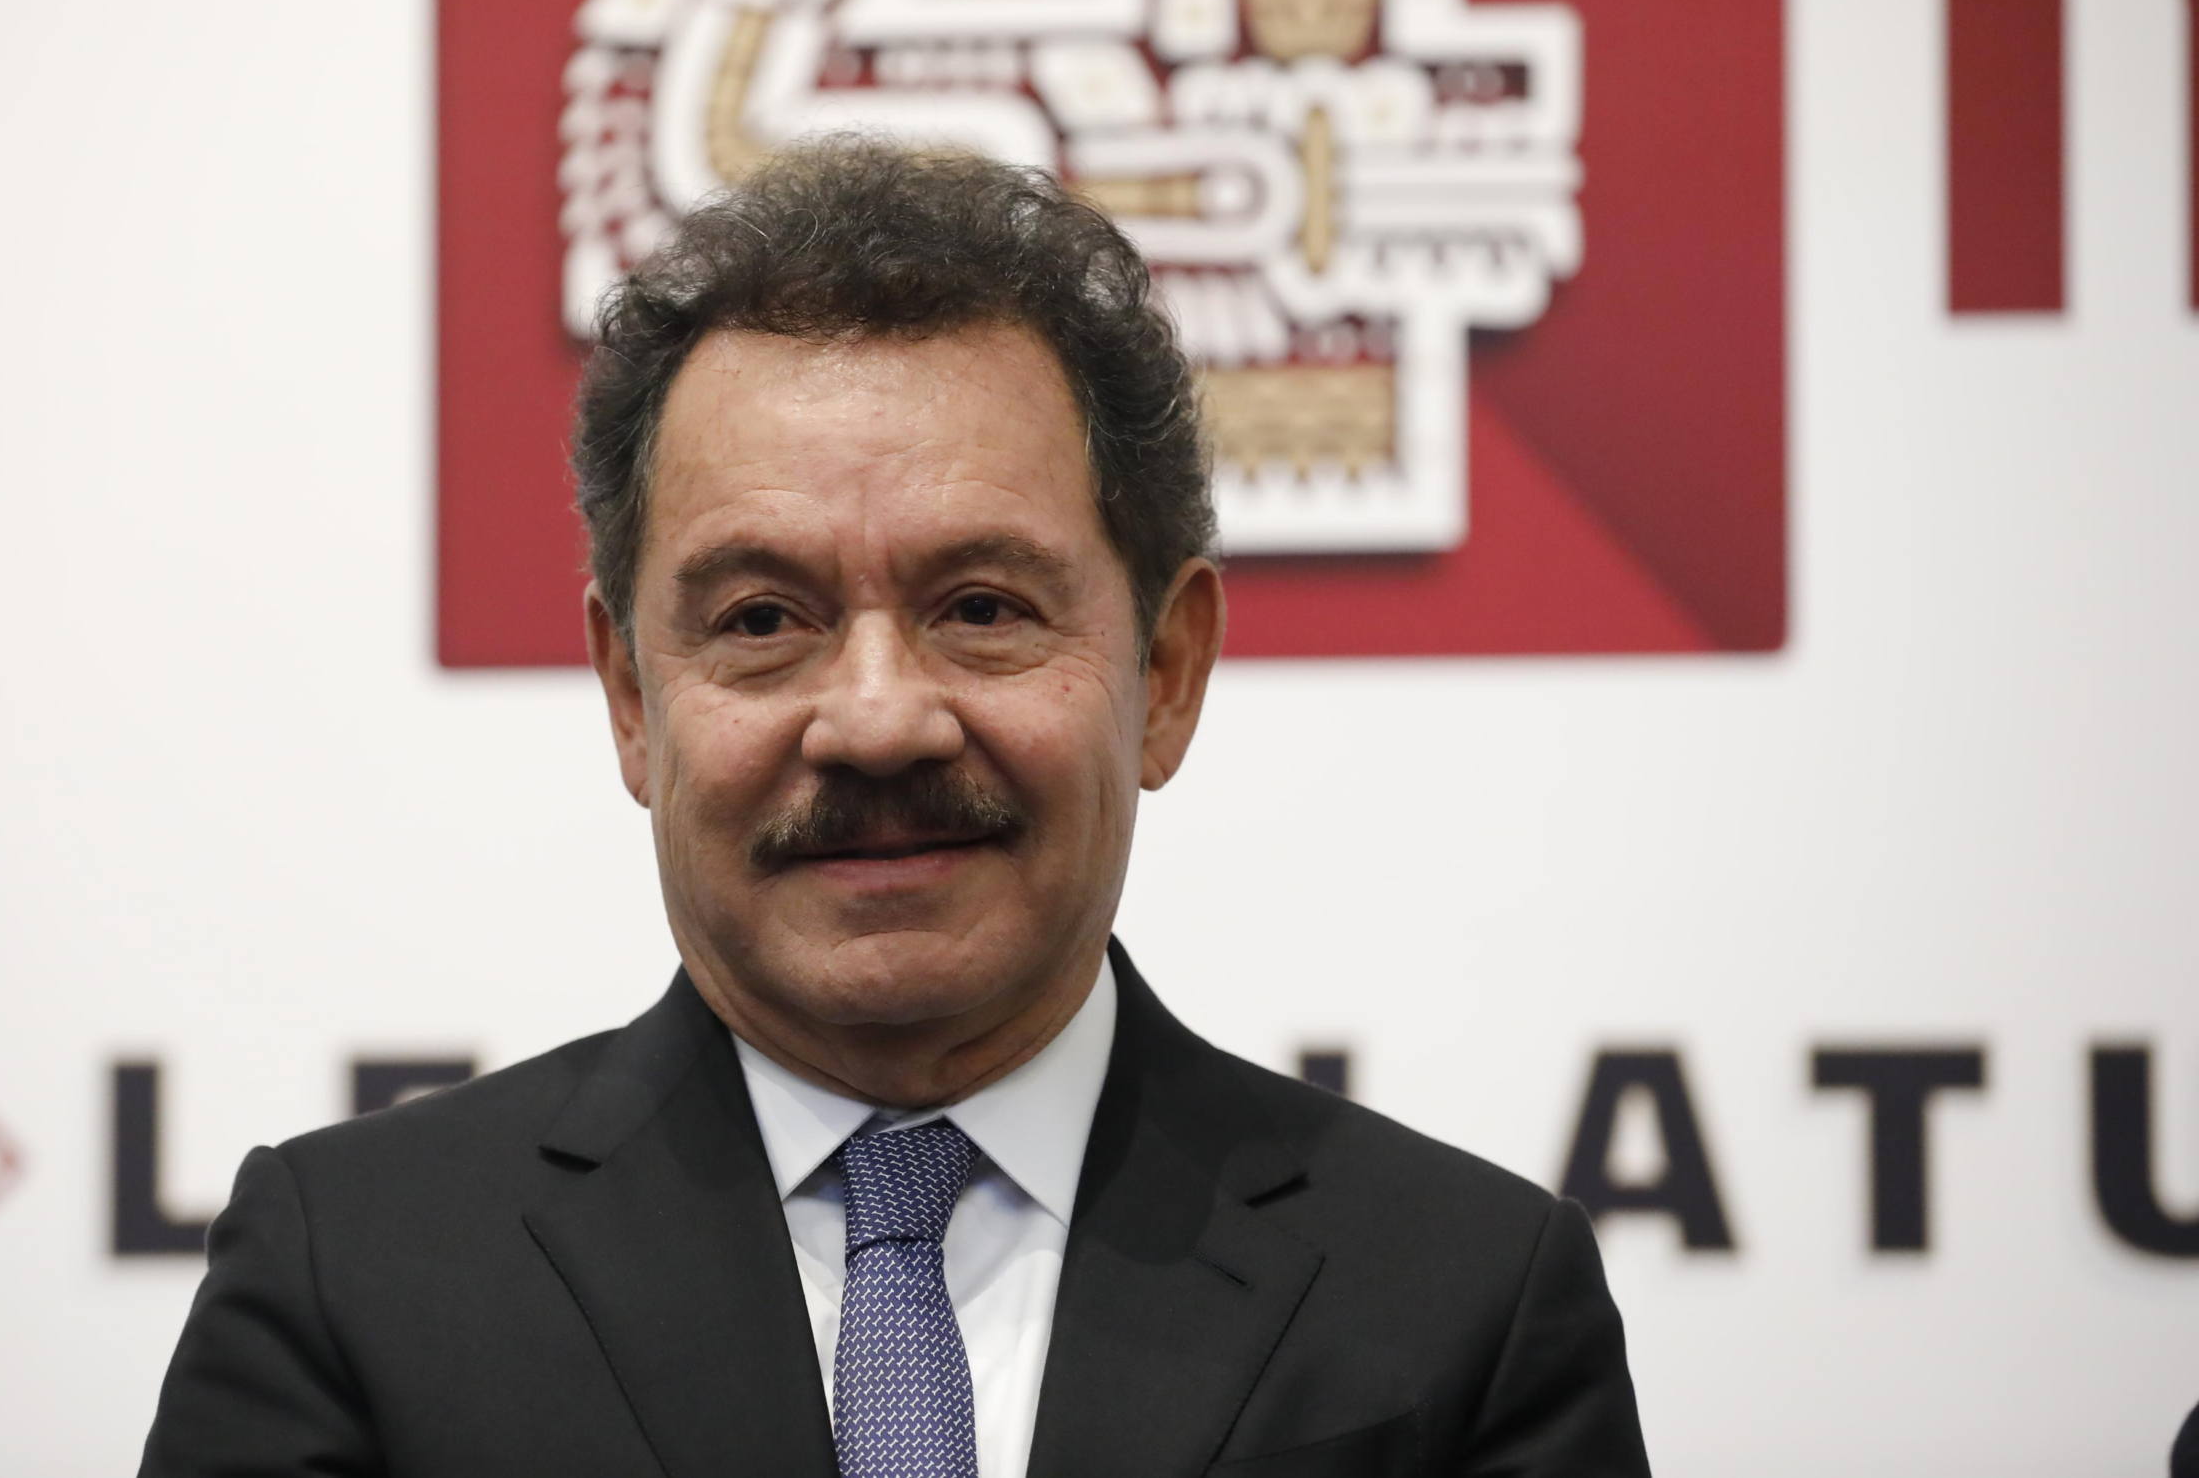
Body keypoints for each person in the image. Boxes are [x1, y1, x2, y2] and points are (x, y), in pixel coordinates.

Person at [138, 140, 1650, 1476]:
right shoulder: (352, 1281)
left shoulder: (1462, 1302)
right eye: (760, 620)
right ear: (629, 695)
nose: (875, 722)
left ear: (1168, 671)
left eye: (982, 606)